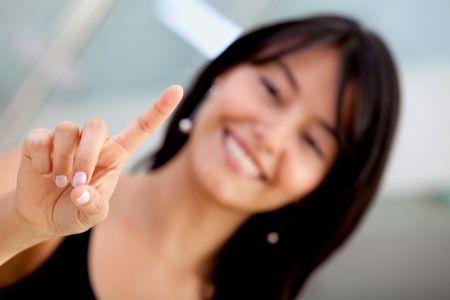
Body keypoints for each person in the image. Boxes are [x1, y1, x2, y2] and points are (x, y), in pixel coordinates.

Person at [0, 15, 400, 299]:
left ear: (322, 186)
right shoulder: (45, 187)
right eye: (273, 91)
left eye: (313, 143)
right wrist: (20, 222)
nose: (272, 137)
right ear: (221, 73)